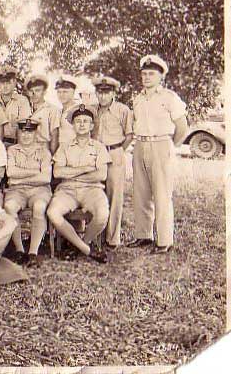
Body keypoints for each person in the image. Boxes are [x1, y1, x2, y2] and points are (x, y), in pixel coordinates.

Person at [127, 55, 188, 254]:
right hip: (140, 145)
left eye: (151, 74)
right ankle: (144, 236)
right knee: (141, 194)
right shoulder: (137, 99)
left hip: (161, 145)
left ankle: (164, 241)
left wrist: (170, 147)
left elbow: (182, 127)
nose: (146, 77)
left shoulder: (169, 97)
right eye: (143, 74)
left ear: (161, 76)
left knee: (162, 194)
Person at [46, 105, 111, 263]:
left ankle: (78, 246)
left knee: (102, 214)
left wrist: (72, 172)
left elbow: (101, 174)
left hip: (92, 190)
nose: (81, 124)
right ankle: (86, 250)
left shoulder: (99, 147)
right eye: (78, 121)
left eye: (85, 121)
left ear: (91, 126)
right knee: (53, 213)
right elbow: (57, 172)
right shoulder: (65, 147)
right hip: (67, 190)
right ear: (73, 125)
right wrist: (86, 169)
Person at [91, 76, 134, 248]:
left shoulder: (122, 110)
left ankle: (112, 238)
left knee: (115, 195)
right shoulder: (92, 110)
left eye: (106, 92)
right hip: (95, 155)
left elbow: (129, 134)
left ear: (114, 93)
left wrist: (118, 150)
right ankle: (97, 235)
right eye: (99, 93)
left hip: (114, 152)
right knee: (96, 193)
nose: (102, 97)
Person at [3, 118, 53, 266]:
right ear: (18, 133)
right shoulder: (12, 150)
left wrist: (21, 176)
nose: (26, 135)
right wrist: (34, 173)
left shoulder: (44, 151)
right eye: (23, 132)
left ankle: (33, 252)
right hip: (16, 191)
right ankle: (19, 250)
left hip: (40, 190)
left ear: (35, 133)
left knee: (39, 207)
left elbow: (45, 178)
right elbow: (11, 173)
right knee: (10, 207)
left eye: (30, 132)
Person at [0, 65, 31, 147]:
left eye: (8, 82)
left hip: (15, 144)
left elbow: (24, 127)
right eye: (2, 83)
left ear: (14, 83)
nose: (5, 86)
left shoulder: (22, 101)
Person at [24, 74, 60, 154]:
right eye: (31, 91)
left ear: (44, 92)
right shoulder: (24, 108)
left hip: (43, 149)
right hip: (26, 150)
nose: (33, 94)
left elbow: (54, 136)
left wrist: (52, 156)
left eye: (37, 90)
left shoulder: (52, 109)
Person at [55, 75, 80, 148]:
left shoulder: (78, 110)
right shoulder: (59, 111)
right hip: (61, 152)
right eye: (59, 92)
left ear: (73, 92)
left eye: (65, 92)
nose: (61, 95)